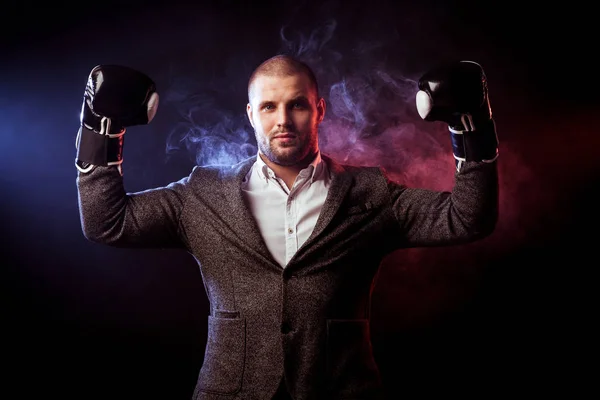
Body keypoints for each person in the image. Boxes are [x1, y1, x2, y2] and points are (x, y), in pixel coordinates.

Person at [74, 55, 499, 399]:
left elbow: (467, 217)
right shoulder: (202, 193)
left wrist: (473, 128)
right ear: (250, 114)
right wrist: (99, 130)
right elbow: (107, 222)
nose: (283, 119)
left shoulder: (370, 192)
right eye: (269, 106)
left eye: (296, 104)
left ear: (318, 110)